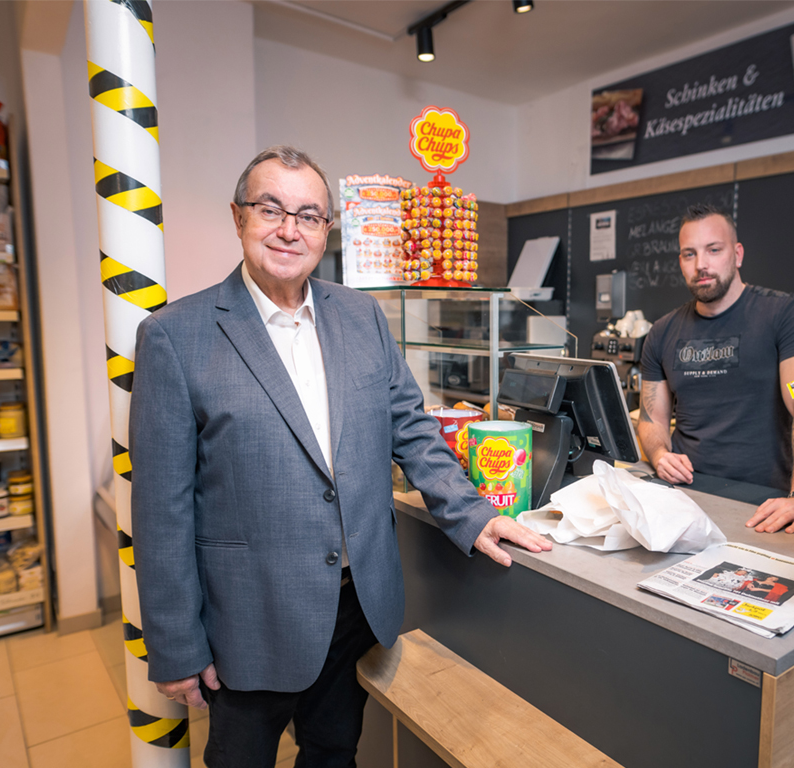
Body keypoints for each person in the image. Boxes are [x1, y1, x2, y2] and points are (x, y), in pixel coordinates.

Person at [128, 145, 551, 767]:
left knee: (333, 753)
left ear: (327, 230)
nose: (288, 229)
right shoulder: (174, 336)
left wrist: (473, 512)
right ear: (238, 216)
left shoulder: (361, 316)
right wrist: (174, 645)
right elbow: (161, 510)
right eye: (270, 208)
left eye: (308, 215)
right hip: (247, 618)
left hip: (353, 603)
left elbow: (410, 425)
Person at [637, 204, 794, 534]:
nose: (702, 264)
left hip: (765, 506)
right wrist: (658, 455)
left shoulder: (787, 314)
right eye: (689, 254)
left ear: (737, 254)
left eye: (714, 250)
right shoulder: (662, 332)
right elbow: (650, 419)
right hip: (684, 503)